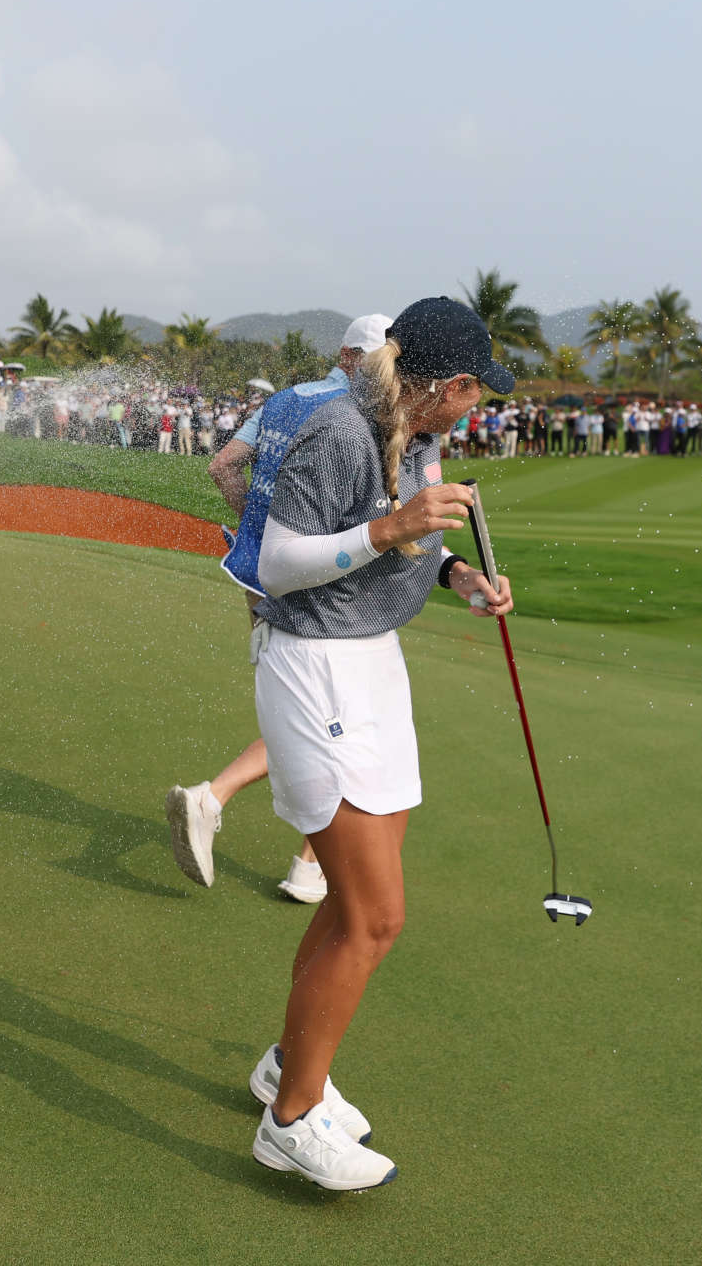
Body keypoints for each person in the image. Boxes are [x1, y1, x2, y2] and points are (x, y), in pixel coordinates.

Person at [228, 296, 515, 1191]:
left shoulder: (412, 432)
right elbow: (276, 562)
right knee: (375, 915)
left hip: (372, 660)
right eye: (477, 393)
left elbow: (409, 544)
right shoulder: (341, 430)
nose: (478, 410)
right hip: (314, 664)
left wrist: (462, 573)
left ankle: (290, 1067)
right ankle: (292, 1121)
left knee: (358, 906)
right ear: (448, 384)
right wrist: (393, 528)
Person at [172, 314, 393, 903]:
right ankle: (231, 809)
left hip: (254, 571)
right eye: (377, 359)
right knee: (339, 716)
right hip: (325, 578)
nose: (383, 370)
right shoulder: (360, 416)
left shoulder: (289, 398)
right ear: (350, 357)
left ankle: (300, 859)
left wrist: (258, 530)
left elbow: (223, 465)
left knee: (301, 707)